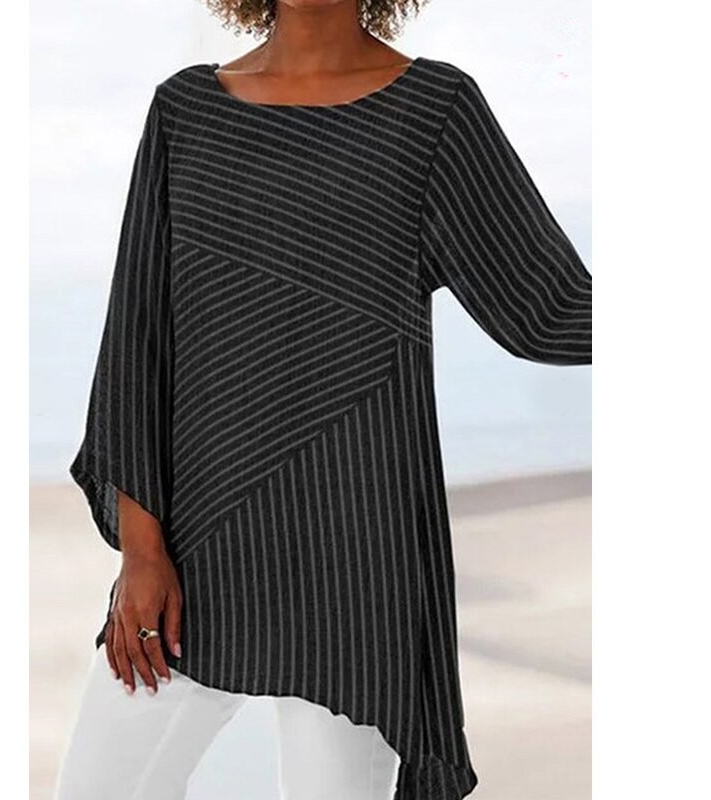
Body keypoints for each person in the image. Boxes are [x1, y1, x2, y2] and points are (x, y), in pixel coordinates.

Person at [54, 0, 592, 798]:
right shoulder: (184, 112)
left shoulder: (435, 111)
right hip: (195, 547)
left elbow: (545, 305)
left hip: (354, 553)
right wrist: (141, 550)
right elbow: (138, 341)